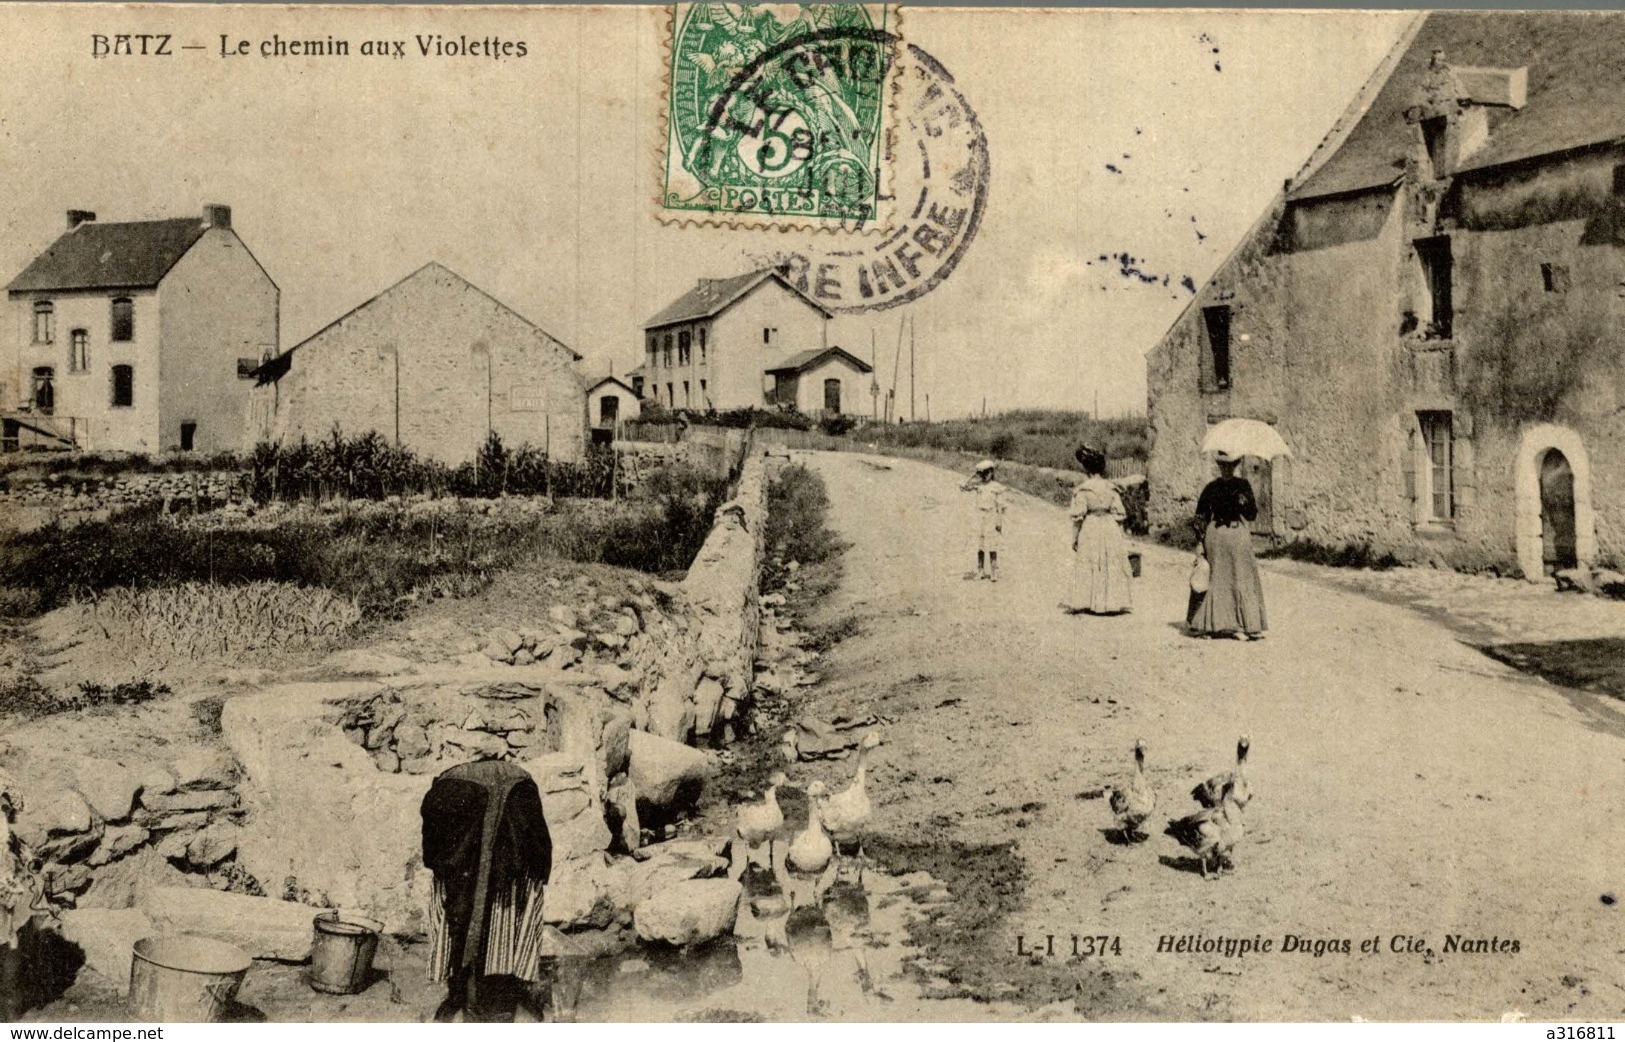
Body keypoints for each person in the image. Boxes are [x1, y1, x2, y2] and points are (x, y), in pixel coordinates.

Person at [421, 760, 552, 1023]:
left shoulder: (452, 788)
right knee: (480, 907)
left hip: (503, 831)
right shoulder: (454, 791)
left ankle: (483, 996)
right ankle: (477, 994)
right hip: (475, 820)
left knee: (477, 906)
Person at [1189, 451, 1267, 640]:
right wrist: (1200, 542)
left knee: (1239, 577)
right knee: (1216, 579)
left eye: (1230, 465)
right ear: (1218, 466)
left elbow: (1252, 514)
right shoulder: (1211, 488)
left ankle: (1241, 625)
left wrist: (1244, 502)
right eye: (1222, 465)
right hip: (1216, 537)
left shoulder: (1243, 486)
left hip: (1238, 537)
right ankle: (1211, 624)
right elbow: (1200, 516)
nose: (1226, 468)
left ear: (1236, 465)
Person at [1063, 445, 1133, 614]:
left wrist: (1075, 537)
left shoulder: (1083, 489)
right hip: (1109, 526)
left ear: (1087, 468)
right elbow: (1119, 513)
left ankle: (1088, 601)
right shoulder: (1111, 488)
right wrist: (1121, 537)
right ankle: (1111, 602)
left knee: (1090, 560)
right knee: (1110, 561)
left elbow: (1078, 517)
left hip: (1091, 525)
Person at [958, 460, 1007, 581]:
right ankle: (980, 570)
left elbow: (1000, 507)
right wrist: (974, 475)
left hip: (991, 516)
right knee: (980, 545)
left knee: (992, 545)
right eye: (983, 473)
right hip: (980, 516)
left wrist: (999, 522)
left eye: (988, 472)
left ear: (992, 472)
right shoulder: (979, 485)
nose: (986, 475)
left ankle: (993, 571)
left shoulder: (996, 487)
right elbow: (964, 487)